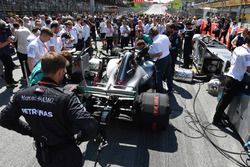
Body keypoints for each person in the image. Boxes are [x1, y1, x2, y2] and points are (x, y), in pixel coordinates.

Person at [0, 52, 98, 167]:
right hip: (66, 154)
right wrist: (79, 138)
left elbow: (4, 119)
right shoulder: (66, 97)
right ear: (60, 71)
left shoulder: (21, 95)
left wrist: (31, 131)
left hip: (43, 154)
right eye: (64, 72)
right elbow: (90, 126)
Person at [212, 37, 250, 127]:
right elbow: (249, 68)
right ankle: (216, 120)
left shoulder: (238, 48)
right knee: (225, 101)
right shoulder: (247, 54)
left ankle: (219, 114)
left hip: (230, 76)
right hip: (235, 80)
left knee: (224, 99)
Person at [148, 27, 172, 93]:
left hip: (162, 60)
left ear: (151, 34)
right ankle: (170, 89)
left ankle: (160, 92)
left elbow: (159, 54)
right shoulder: (164, 36)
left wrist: (151, 55)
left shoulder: (155, 42)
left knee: (159, 77)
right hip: (168, 56)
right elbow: (169, 46)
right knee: (169, 74)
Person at [0, 20, 18, 88]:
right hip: (2, 54)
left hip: (6, 52)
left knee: (10, 67)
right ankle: (9, 82)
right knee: (8, 67)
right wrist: (8, 41)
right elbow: (0, 45)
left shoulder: (4, 31)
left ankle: (10, 80)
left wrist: (10, 39)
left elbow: (9, 37)